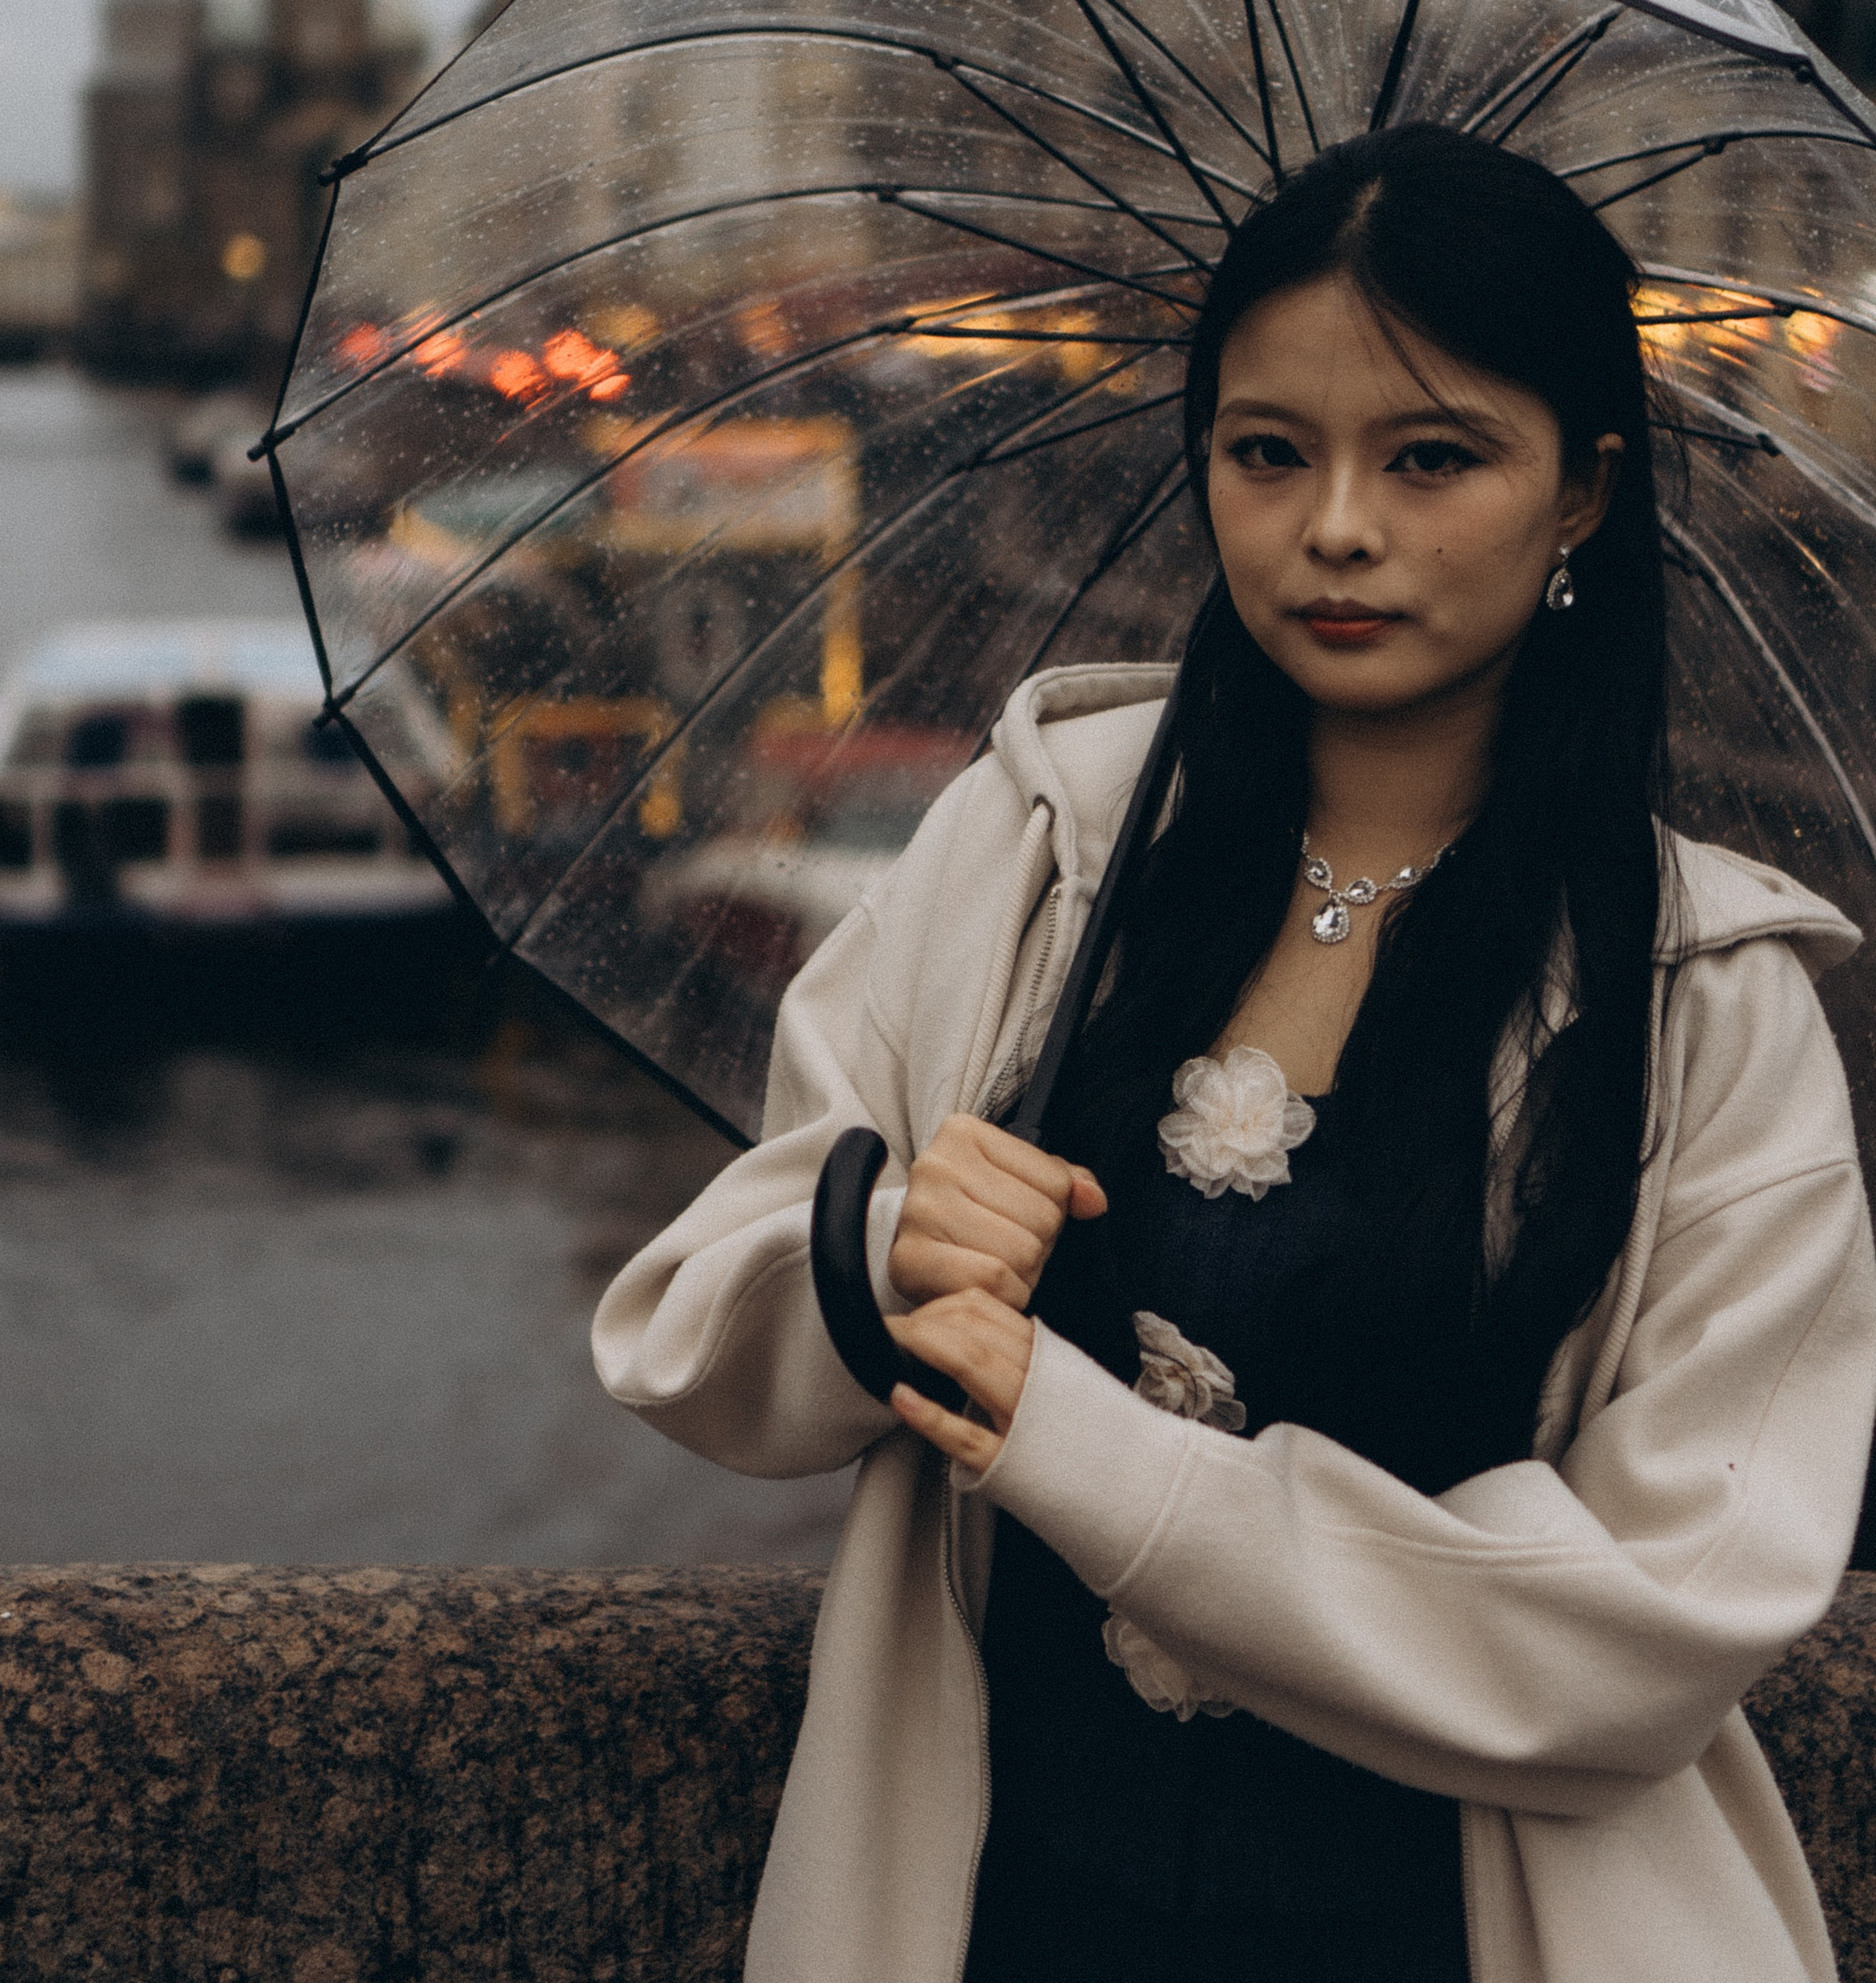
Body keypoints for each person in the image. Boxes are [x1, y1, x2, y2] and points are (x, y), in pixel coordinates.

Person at [593, 125, 1876, 1983]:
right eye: (1266, 453)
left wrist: (1080, 1450)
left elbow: (1653, 1632)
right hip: (998, 1921)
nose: (1333, 528)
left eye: (1430, 457)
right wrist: (882, 1261)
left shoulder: (1702, 1001)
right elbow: (690, 1338)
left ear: (1584, 489)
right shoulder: (1036, 847)